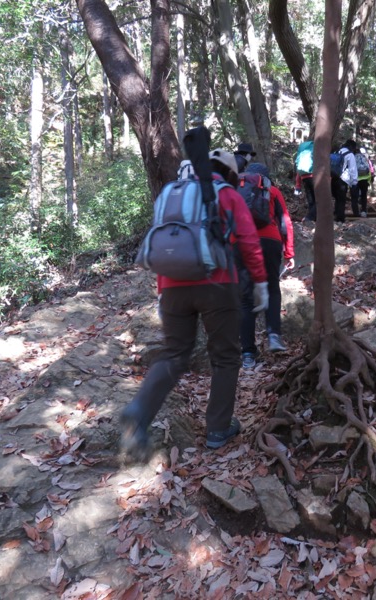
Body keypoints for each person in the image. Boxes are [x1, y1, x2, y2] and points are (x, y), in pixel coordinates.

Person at [120, 149, 269, 461]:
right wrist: (260, 282)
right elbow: (248, 241)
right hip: (218, 284)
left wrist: (162, 290)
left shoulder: (172, 194)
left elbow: (167, 243)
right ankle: (218, 428)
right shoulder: (227, 193)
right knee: (225, 356)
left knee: (174, 353)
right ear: (230, 173)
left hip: (172, 286)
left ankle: (140, 410)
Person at [238, 163, 295, 368]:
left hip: (242, 243)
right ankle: (273, 336)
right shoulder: (272, 191)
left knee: (246, 299)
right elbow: (285, 222)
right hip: (270, 242)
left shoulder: (236, 189)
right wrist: (289, 253)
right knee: (272, 289)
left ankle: (247, 354)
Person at [331, 140, 358, 224]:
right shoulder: (350, 154)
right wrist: (354, 182)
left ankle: (336, 215)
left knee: (337, 198)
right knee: (341, 200)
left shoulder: (336, 152)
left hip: (333, 178)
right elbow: (353, 169)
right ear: (351, 146)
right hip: (343, 179)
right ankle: (340, 219)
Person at [294, 140, 316, 222]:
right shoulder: (316, 149)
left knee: (311, 200)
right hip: (314, 176)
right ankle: (309, 218)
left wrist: (298, 185)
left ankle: (313, 219)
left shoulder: (302, 153)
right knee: (319, 200)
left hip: (304, 177)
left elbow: (298, 170)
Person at [355, 148, 374, 217]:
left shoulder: (353, 157)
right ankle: (364, 211)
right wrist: (369, 180)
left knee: (355, 196)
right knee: (364, 196)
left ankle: (356, 211)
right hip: (365, 179)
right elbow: (370, 170)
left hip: (356, 179)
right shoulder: (365, 158)